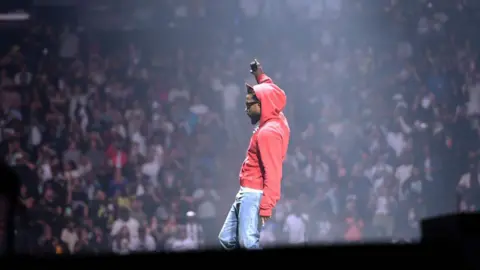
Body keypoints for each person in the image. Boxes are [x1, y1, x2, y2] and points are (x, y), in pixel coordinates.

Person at [218, 59, 290, 249]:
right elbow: (270, 90)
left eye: (250, 104)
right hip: (246, 191)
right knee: (227, 238)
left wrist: (267, 205)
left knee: (248, 242)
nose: (246, 109)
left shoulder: (268, 133)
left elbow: (273, 172)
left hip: (254, 192)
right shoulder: (276, 115)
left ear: (263, 104)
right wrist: (259, 74)